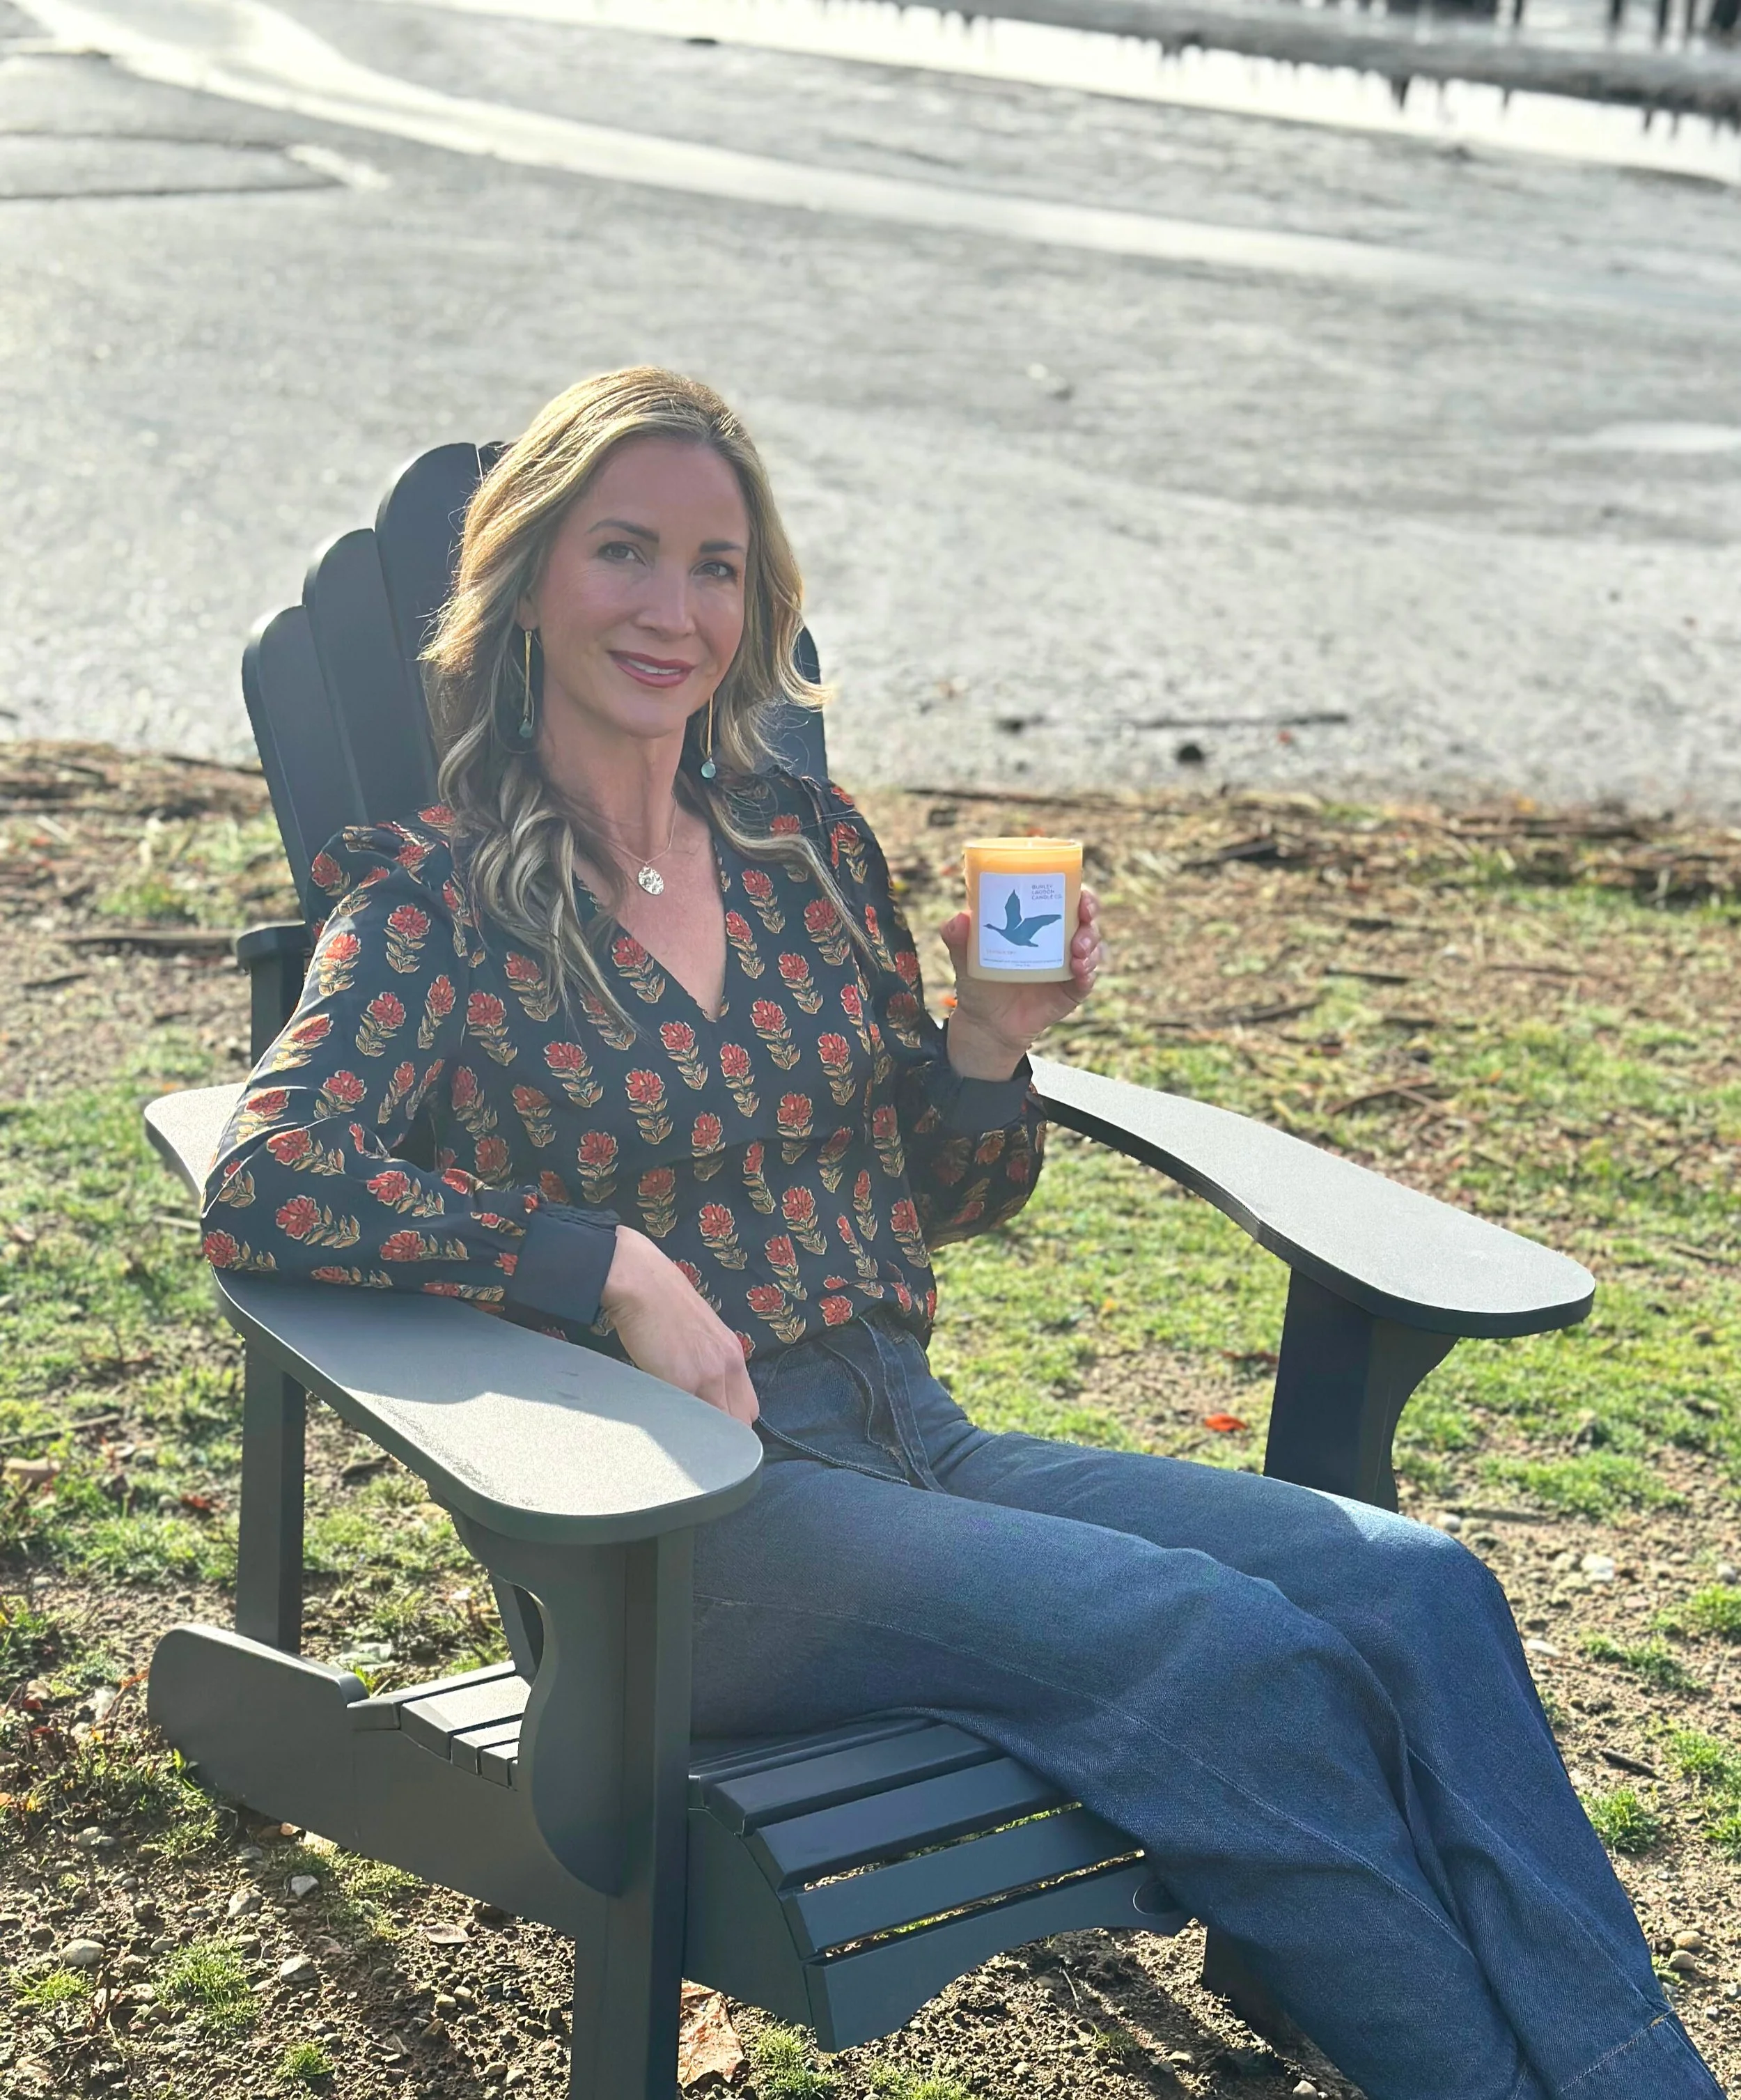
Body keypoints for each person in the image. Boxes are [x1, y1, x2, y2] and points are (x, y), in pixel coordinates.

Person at [203, 367, 1722, 2100]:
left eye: (715, 567)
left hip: (913, 1437)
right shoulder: (428, 894)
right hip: (675, 1525)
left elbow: (945, 1194)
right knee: (1220, 1649)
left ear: (755, 606)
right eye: (621, 551)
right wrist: (605, 1265)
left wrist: (989, 1048)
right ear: (528, 579)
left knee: (1414, 1590)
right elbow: (270, 1176)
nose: (671, 607)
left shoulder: (800, 851)